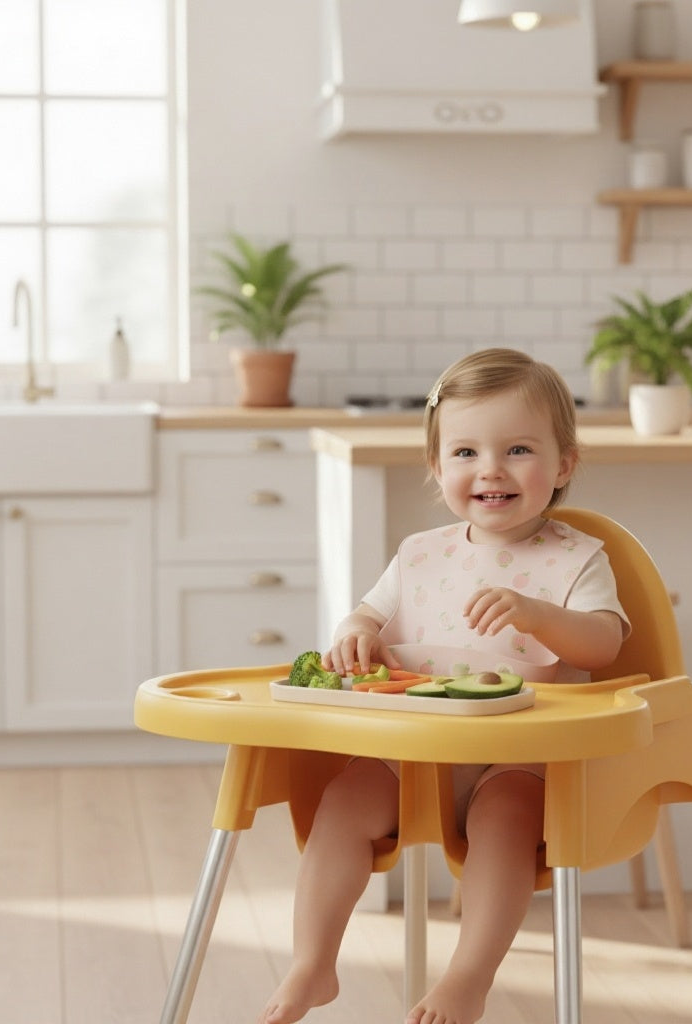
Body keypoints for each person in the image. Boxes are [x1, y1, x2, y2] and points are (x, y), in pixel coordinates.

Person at [259, 348, 630, 1024]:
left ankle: (467, 978)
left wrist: (539, 615)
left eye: (518, 449)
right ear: (436, 469)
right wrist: (355, 634)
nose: (490, 469)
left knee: (507, 819)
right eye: (465, 452)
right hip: (413, 753)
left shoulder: (577, 558)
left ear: (565, 464)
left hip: (517, 759)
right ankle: (312, 963)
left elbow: (606, 644)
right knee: (341, 802)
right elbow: (368, 614)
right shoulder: (421, 554)